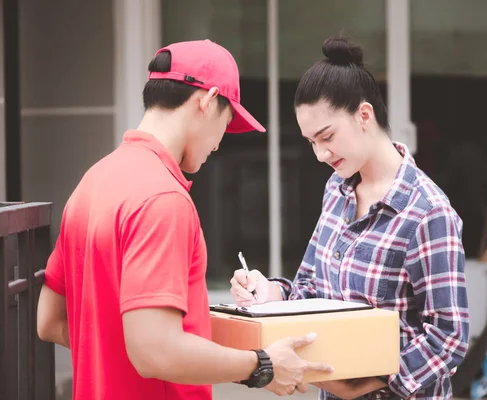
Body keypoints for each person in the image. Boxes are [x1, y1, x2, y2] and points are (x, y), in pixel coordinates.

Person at [36, 40, 333, 400]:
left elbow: (49, 322)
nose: (220, 144)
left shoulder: (93, 181)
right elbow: (154, 351)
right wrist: (261, 365)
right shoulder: (163, 199)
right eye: (227, 122)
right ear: (207, 102)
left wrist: (124, 350)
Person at [230, 36, 470, 400]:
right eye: (311, 141)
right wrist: (271, 293)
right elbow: (312, 288)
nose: (320, 153)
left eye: (326, 136)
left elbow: (448, 335)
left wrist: (367, 383)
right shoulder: (336, 191)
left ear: (364, 115)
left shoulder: (428, 212)